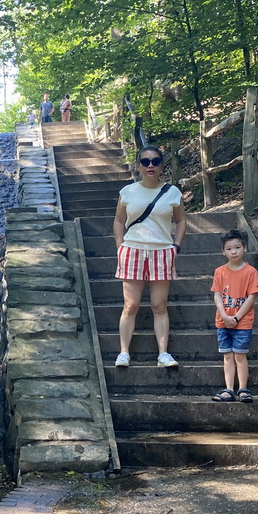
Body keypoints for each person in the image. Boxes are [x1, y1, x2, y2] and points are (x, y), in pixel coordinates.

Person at [113, 144, 186, 368]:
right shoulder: (127, 192)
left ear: (162, 165)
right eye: (145, 161)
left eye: (155, 161)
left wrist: (176, 246)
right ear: (138, 166)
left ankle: (163, 354)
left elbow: (181, 220)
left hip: (162, 251)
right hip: (132, 249)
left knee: (159, 304)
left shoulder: (172, 192)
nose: (150, 165)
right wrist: (119, 246)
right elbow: (118, 221)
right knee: (131, 304)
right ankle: (124, 352)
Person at [211, 229, 258, 403]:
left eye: (237, 247)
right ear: (223, 251)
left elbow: (251, 297)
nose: (234, 252)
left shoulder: (250, 272)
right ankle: (228, 389)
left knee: (240, 355)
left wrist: (237, 317)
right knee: (227, 356)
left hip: (243, 322)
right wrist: (225, 316)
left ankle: (243, 389)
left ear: (244, 248)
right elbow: (217, 295)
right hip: (222, 321)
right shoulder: (220, 272)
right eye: (229, 248)